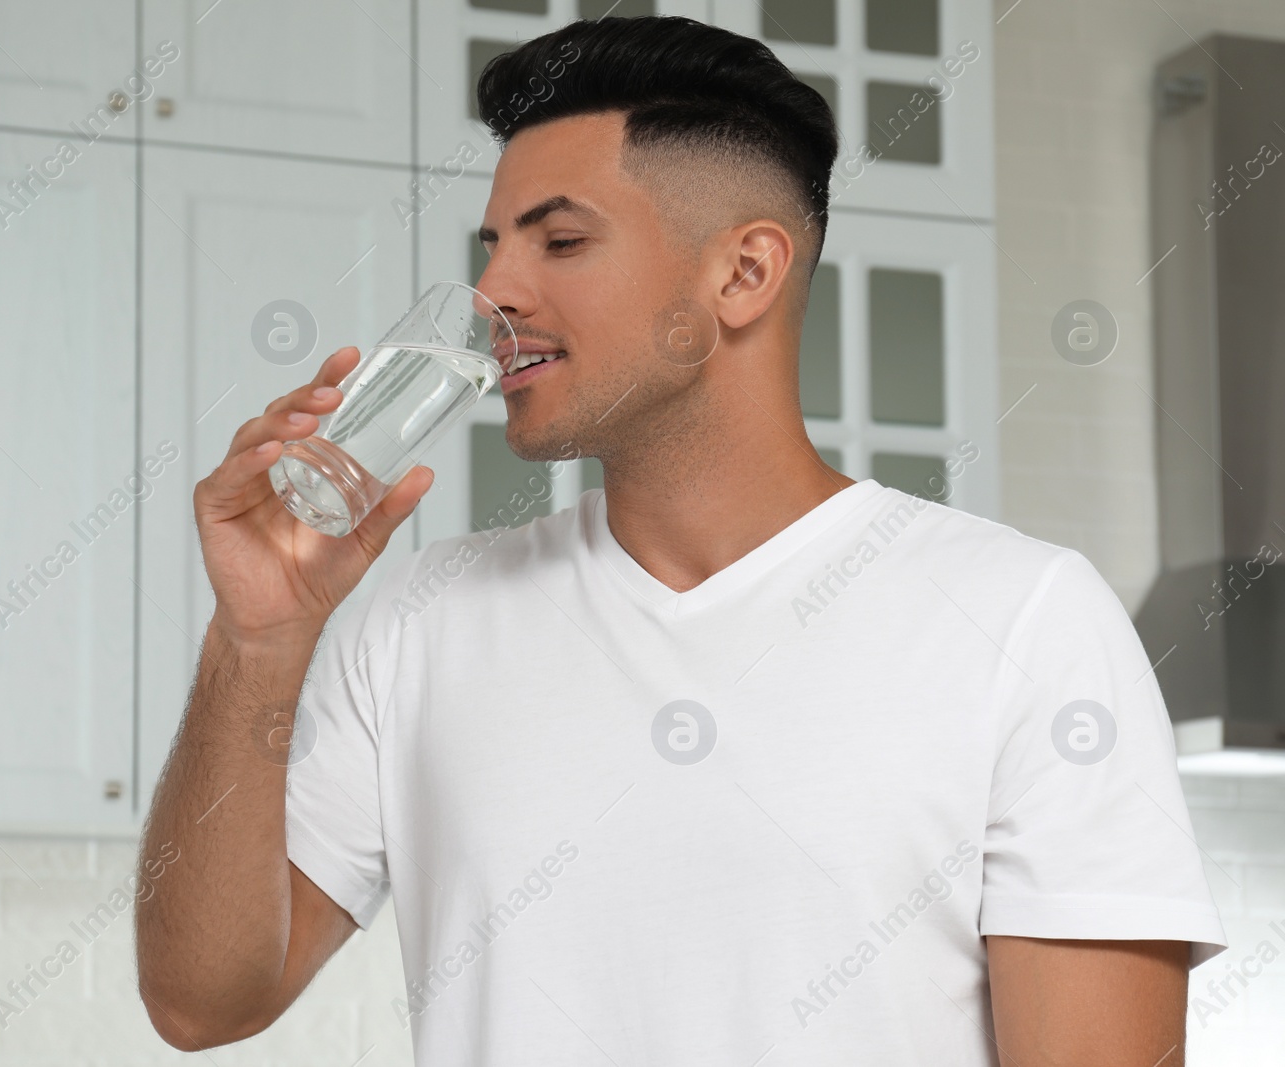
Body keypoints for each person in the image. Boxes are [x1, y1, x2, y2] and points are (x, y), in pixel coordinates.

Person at [135, 15, 1226, 1065]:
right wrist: (260, 640)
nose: (495, 293)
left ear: (742, 274)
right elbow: (199, 1000)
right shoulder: (421, 621)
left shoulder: (1023, 620)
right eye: (494, 245)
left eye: (560, 239)